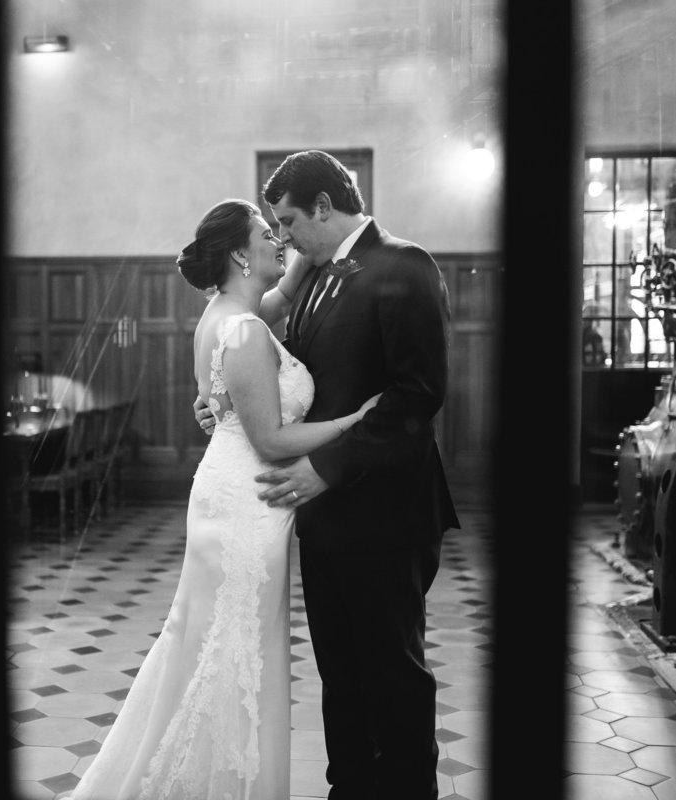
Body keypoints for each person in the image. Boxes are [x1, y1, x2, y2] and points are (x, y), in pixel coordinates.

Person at [69, 198, 380, 800]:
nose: (279, 238)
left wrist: (308, 246)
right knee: (236, 647)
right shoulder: (243, 330)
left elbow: (275, 308)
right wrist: (353, 422)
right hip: (249, 502)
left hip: (227, 490)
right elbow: (270, 438)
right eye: (269, 232)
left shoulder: (224, 313)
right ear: (241, 252)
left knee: (210, 641)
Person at [195, 150, 460, 799]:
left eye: (288, 220)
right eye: (272, 228)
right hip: (324, 520)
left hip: (385, 512)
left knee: (392, 676)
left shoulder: (405, 265)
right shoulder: (311, 279)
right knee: (341, 680)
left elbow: (416, 396)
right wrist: (221, 399)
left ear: (323, 206)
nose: (282, 236)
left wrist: (323, 469)